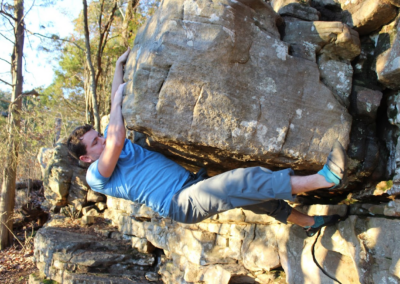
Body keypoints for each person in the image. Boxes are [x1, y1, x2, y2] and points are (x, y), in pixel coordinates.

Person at [67, 49, 347, 237]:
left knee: (251, 198)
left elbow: (115, 111)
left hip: (190, 185)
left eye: (99, 135)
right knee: (242, 182)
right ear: (85, 158)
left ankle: (309, 223)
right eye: (95, 142)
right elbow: (115, 138)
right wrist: (116, 103)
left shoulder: (109, 140)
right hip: (179, 201)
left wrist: (119, 66)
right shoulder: (96, 176)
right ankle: (324, 179)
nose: (102, 140)